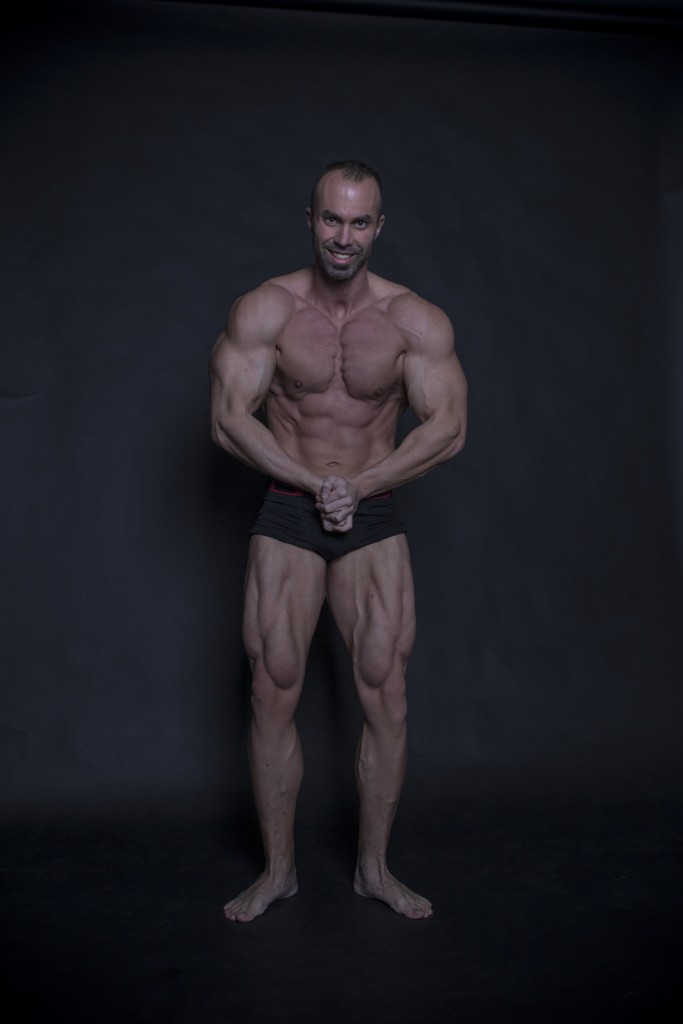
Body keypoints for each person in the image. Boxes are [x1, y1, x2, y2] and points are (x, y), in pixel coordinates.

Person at [210, 159, 467, 922]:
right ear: (310, 219)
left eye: (358, 222)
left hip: (372, 511)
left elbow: (448, 429)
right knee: (271, 687)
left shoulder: (415, 321)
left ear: (378, 227)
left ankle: (373, 869)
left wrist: (360, 484)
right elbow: (228, 419)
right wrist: (309, 479)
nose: (343, 237)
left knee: (386, 691)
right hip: (288, 510)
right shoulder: (266, 310)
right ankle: (278, 871)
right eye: (331, 219)